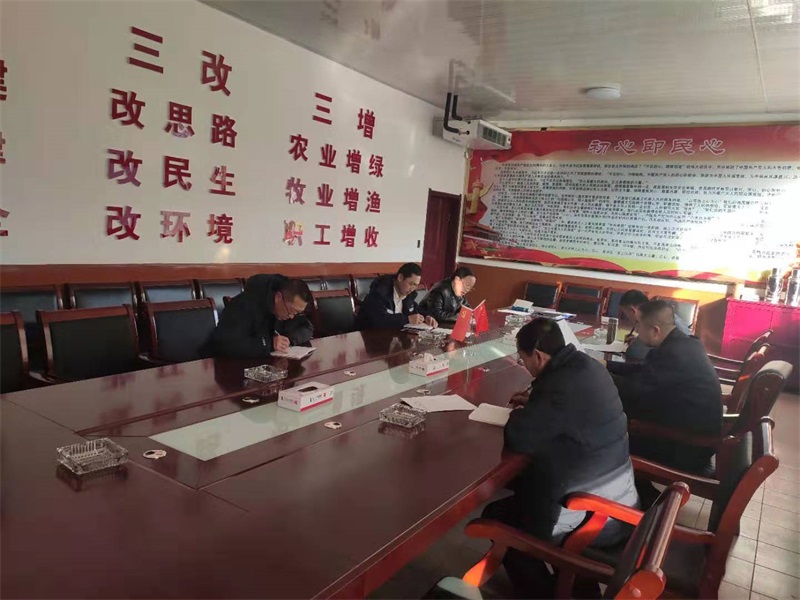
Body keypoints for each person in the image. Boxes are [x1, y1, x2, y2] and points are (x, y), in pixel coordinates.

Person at [484, 318, 639, 598]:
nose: (522, 365)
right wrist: (535, 405)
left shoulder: (559, 386)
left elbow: (520, 438)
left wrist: (519, 413)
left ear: (538, 356)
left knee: (497, 517)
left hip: (590, 512)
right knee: (518, 495)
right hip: (617, 496)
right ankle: (578, 589)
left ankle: (544, 593)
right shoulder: (586, 365)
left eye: (522, 358)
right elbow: (566, 413)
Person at [607, 300, 722, 475]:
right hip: (689, 430)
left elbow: (635, 390)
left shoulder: (674, 354)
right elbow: (644, 370)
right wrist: (607, 366)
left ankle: (622, 485)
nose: (637, 332)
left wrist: (600, 376)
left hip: (688, 446)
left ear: (655, 330)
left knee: (609, 430)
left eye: (639, 326)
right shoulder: (682, 342)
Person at [204, 274, 313, 359]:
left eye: (296, 313)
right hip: (235, 370)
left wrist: (288, 340)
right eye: (292, 311)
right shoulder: (244, 305)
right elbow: (225, 344)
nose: (292, 317)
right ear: (278, 297)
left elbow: (307, 328)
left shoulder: (286, 308)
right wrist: (269, 343)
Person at [356, 263, 438, 330]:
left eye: (415, 285)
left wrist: (427, 316)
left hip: (395, 337)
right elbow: (379, 320)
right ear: (400, 277)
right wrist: (407, 319)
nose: (413, 288)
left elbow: (415, 309)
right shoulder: (380, 292)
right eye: (411, 284)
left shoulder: (408, 293)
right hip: (371, 337)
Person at [618, 289, 691, 360]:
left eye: (626, 314)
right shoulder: (659, 315)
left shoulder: (654, 319)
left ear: (633, 310)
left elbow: (635, 352)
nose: (628, 318)